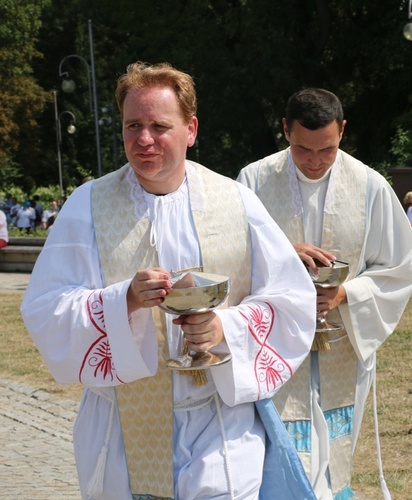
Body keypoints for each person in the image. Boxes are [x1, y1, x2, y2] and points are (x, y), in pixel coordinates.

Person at [21, 62, 317, 499]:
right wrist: (123, 301)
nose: (143, 139)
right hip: (124, 427)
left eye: (159, 125)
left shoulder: (236, 201)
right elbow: (46, 308)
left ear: (191, 129)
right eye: (132, 125)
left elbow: (292, 298)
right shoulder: (87, 205)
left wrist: (224, 328)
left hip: (219, 426)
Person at [237, 87, 412, 499]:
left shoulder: (369, 185)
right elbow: (232, 258)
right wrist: (284, 254)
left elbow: (399, 267)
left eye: (328, 150)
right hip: (276, 343)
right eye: (303, 150)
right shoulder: (253, 181)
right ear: (285, 130)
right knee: (283, 454)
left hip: (341, 341)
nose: (316, 161)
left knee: (334, 458)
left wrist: (346, 294)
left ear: (343, 132)